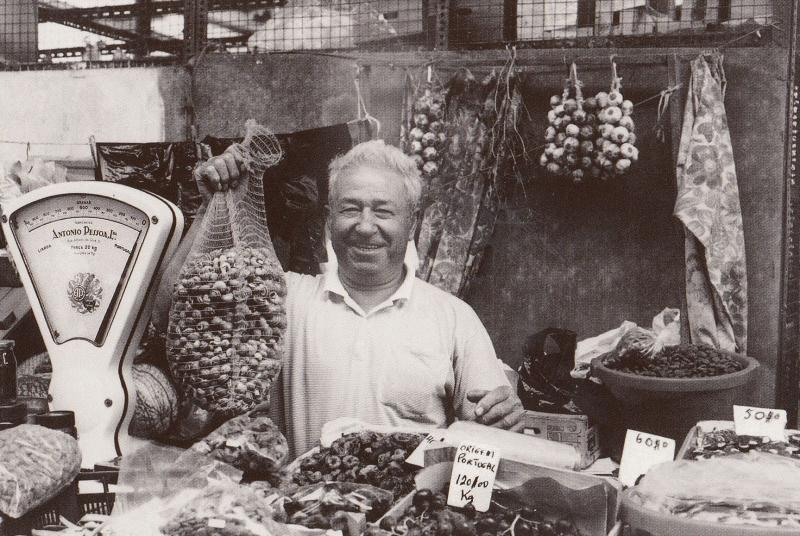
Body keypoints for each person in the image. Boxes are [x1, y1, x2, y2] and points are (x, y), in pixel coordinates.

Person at [193, 139, 523, 456]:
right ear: (328, 220)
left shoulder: (453, 318)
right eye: (350, 209)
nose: (365, 227)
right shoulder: (284, 299)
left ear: (411, 223)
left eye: (383, 212)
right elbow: (177, 310)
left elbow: (488, 440)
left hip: (409, 509)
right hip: (296, 509)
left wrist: (502, 419)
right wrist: (210, 208)